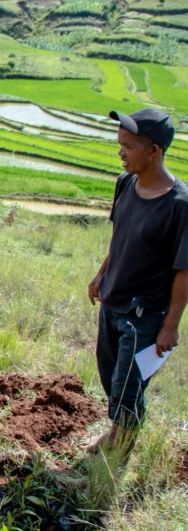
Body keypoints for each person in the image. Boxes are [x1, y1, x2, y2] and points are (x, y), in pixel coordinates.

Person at [87, 108, 186, 456]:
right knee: (110, 374)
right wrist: (101, 274)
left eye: (128, 146)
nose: (121, 152)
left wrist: (170, 326)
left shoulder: (180, 205)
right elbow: (121, 236)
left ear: (154, 150)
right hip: (113, 299)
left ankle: (120, 450)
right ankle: (117, 433)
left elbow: (184, 270)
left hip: (144, 313)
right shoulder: (125, 184)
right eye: (120, 144)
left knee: (129, 385)